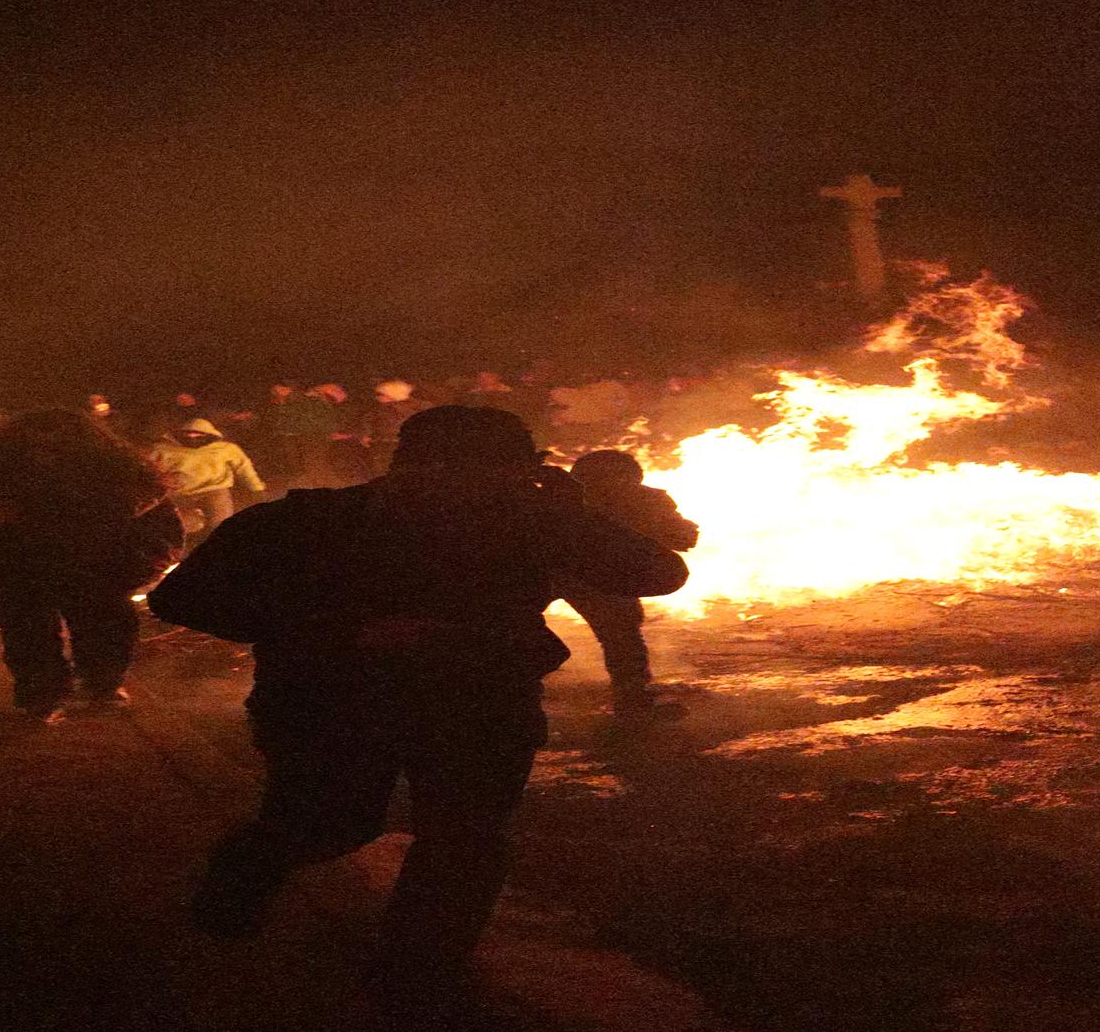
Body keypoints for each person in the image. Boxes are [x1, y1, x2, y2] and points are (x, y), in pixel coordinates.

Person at [149, 406, 687, 1002]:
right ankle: (227, 913)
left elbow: (660, 573)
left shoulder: (534, 522)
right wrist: (346, 633)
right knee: (329, 823)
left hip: (478, 701)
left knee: (463, 838)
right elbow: (182, 598)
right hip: (329, 698)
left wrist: (570, 515)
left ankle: (413, 979)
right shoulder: (308, 520)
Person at [0, 411, 183, 723]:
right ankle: (43, 693)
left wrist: (151, 547)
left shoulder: (112, 463)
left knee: (100, 625)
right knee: (29, 628)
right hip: (19, 559)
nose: (47, 442)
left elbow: (153, 504)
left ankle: (100, 684)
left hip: (93, 561)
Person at [560, 450, 700, 717]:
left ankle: (632, 696)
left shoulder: (555, 497)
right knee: (621, 632)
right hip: (589, 573)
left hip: (573, 572)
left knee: (620, 630)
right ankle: (632, 699)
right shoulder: (642, 499)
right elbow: (681, 537)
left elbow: (680, 536)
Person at [150, 419, 265, 546]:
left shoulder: (225, 449)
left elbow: (243, 468)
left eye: (198, 434)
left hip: (214, 491)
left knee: (220, 523)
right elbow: (148, 471)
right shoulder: (163, 450)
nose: (192, 437)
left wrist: (256, 487)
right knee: (179, 525)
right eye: (188, 434)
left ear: (209, 434)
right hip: (178, 493)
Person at [358, 379, 422, 476]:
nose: (377, 397)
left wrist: (367, 434)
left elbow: (371, 421)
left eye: (381, 394)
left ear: (392, 395)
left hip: (388, 442)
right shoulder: (412, 407)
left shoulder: (390, 409)